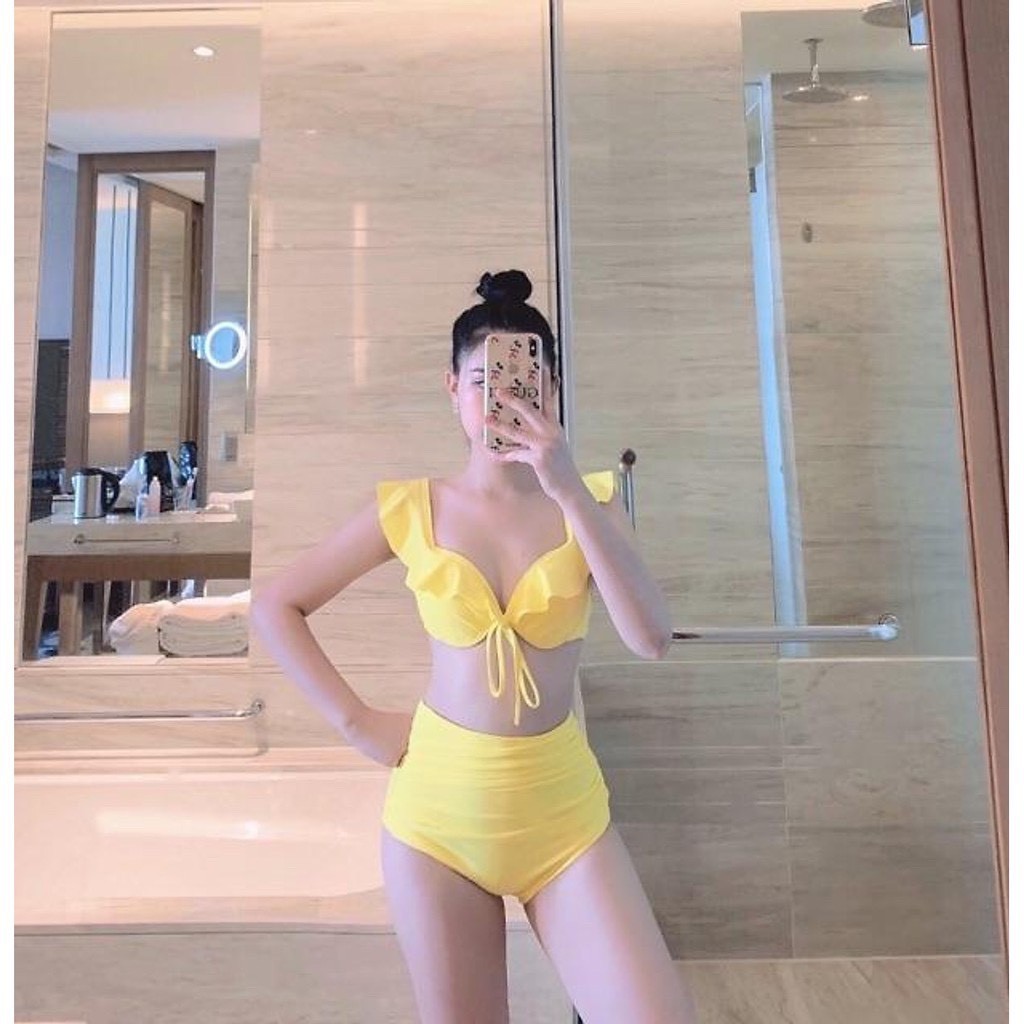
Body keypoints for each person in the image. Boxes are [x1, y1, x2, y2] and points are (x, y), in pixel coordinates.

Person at [251, 270, 698, 1024]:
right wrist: (358, 723)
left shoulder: (589, 500)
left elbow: (650, 638)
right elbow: (276, 605)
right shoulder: (411, 507)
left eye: (523, 378)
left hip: (564, 815)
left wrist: (563, 486)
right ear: (452, 388)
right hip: (437, 819)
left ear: (550, 388)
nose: (502, 396)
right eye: (482, 379)